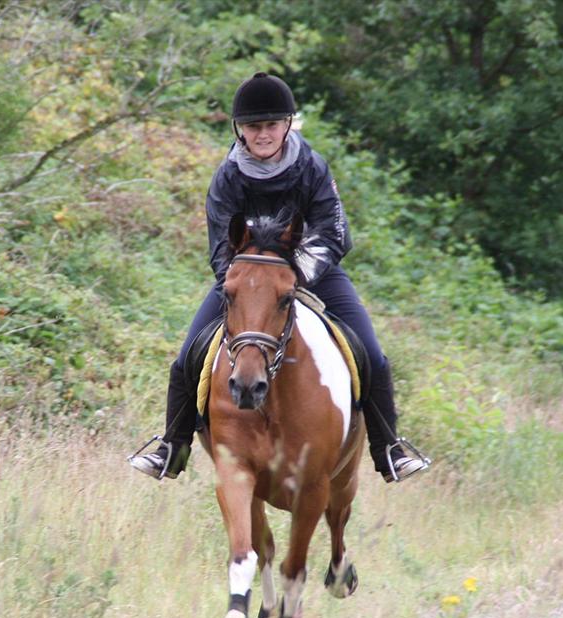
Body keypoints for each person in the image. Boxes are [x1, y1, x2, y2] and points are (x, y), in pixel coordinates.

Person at [129, 72, 429, 483]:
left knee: (372, 356)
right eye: (254, 127)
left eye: (272, 125)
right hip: (247, 283)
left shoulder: (312, 167)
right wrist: (251, 283)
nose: (263, 134)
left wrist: (294, 275)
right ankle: (172, 447)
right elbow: (221, 247)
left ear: (288, 124)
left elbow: (333, 232)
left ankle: (388, 448)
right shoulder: (227, 178)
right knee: (186, 360)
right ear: (240, 130)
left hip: (316, 276)